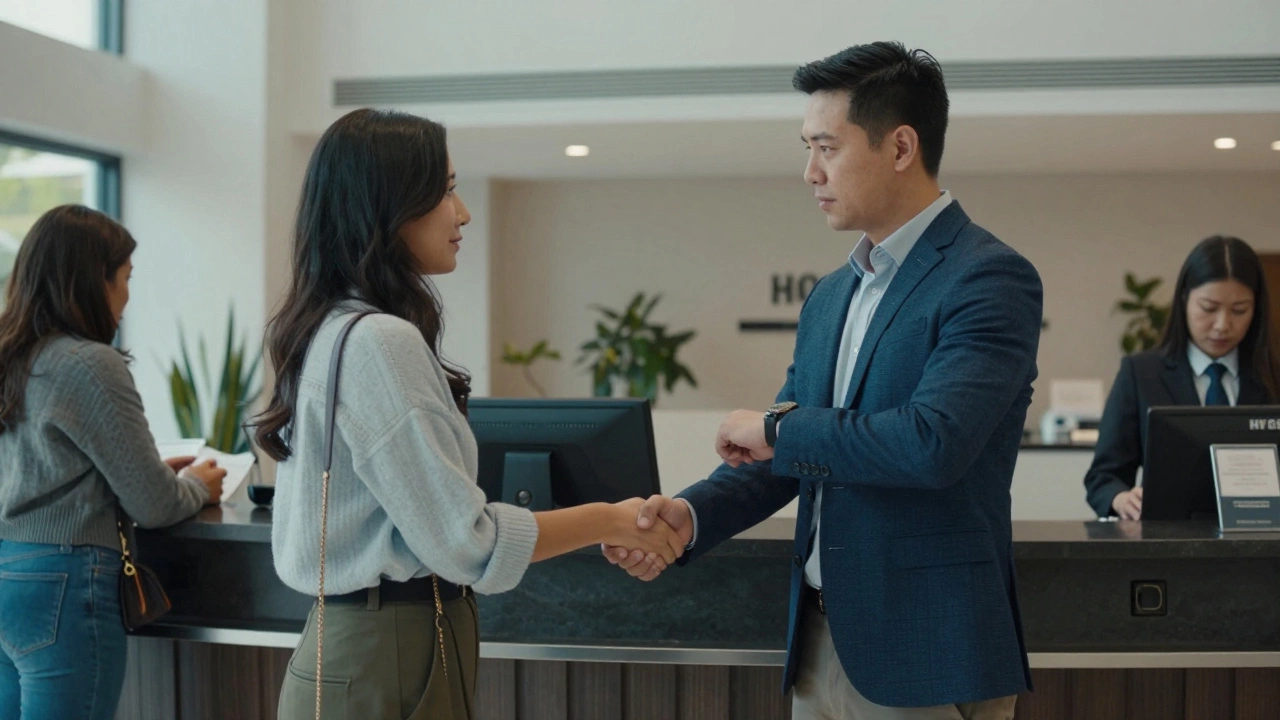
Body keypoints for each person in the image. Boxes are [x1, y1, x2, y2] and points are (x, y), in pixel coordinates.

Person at [605, 42, 1042, 719]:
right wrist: (688, 518)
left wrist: (778, 427)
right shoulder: (832, 295)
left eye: (827, 148)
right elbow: (794, 457)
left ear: (901, 147)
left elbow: (932, 445)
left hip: (926, 653)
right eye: (806, 148)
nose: (810, 172)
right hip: (817, 641)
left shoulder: (989, 278)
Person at [255, 108, 684, 720]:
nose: (463, 213)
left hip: (370, 647)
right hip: (388, 652)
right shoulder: (379, 341)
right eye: (448, 190)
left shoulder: (330, 328)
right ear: (390, 204)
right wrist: (607, 519)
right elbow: (468, 543)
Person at [0, 204, 226, 720]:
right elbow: (155, 506)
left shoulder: (13, 357)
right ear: (90, 282)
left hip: (9, 576)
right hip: (66, 581)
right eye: (124, 278)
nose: (127, 296)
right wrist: (194, 484)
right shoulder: (88, 363)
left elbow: (42, 467)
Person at [1084, 235, 1280, 520]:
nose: (1223, 325)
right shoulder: (1141, 374)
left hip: (1263, 548)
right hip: (1167, 547)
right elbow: (1103, 476)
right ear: (1185, 299)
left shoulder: (1273, 375)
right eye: (1209, 308)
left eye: (1240, 310)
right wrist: (1121, 498)